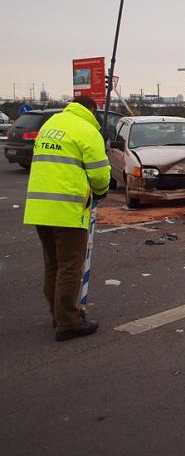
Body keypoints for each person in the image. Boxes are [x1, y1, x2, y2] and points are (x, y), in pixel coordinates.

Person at [23, 95, 111, 341]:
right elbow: (100, 173)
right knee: (71, 267)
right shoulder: (87, 130)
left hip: (40, 208)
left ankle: (57, 314)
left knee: (53, 264)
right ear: (91, 109)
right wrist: (101, 192)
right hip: (67, 210)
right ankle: (68, 322)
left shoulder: (50, 125)